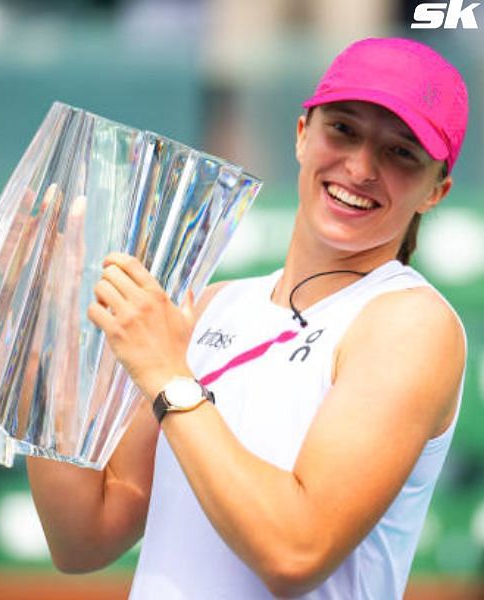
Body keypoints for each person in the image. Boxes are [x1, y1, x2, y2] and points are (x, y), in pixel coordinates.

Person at [27, 37, 467, 599]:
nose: (360, 167)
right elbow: (84, 537)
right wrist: (50, 333)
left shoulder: (410, 324)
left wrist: (167, 374)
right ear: (302, 134)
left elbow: (294, 551)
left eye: (401, 152)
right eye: (343, 130)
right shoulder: (212, 304)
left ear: (437, 190)